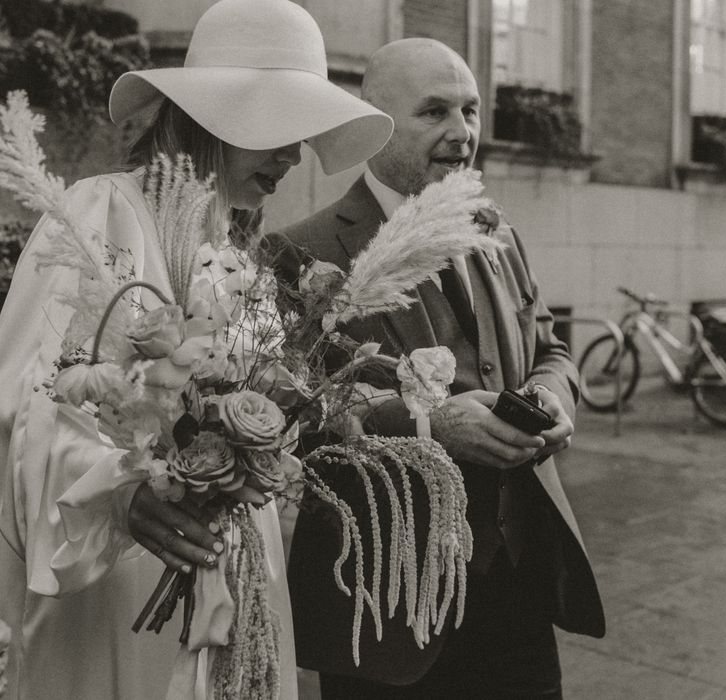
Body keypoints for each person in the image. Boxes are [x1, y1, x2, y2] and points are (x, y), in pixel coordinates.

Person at [0, 1, 392, 699]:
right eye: (282, 126)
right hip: (117, 583)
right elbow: (22, 401)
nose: (294, 156)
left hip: (236, 575)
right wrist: (121, 496)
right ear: (217, 113)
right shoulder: (103, 211)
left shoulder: (247, 260)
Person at [283, 38, 605, 699]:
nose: (463, 133)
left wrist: (552, 394)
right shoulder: (301, 251)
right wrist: (430, 425)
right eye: (435, 112)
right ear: (373, 123)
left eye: (472, 111)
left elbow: (550, 344)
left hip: (517, 585)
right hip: (381, 605)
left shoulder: (496, 229)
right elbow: (295, 414)